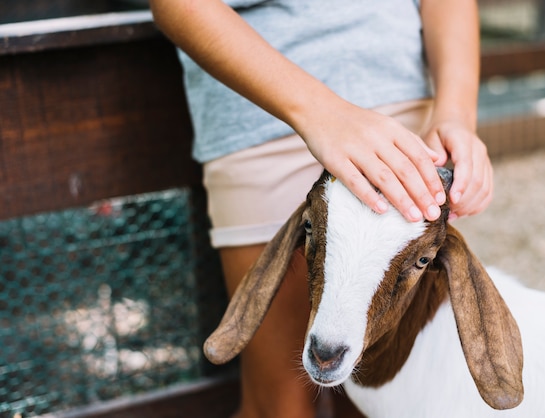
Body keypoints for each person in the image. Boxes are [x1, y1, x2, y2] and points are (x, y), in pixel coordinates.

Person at [149, 0, 493, 417]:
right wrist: (322, 113)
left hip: (406, 125)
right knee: (281, 408)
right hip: (260, 118)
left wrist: (455, 113)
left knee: (402, 401)